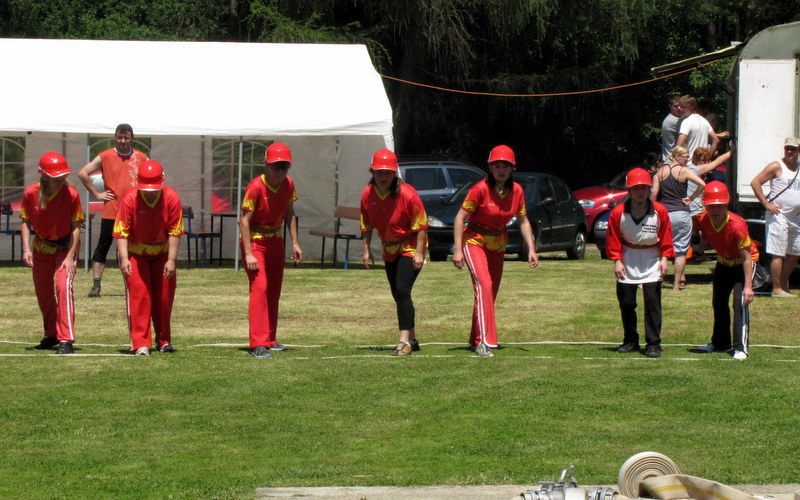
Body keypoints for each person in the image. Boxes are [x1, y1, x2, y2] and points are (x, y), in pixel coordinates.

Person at [452, 145, 539, 357]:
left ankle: (476, 338)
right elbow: (460, 218)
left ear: (512, 169)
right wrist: (457, 250)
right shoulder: (479, 189)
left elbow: (523, 220)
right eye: (497, 166)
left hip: (498, 244)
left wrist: (531, 249)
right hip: (474, 240)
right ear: (490, 168)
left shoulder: (517, 190)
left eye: (505, 166)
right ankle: (483, 341)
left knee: (490, 293)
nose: (501, 170)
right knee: (484, 286)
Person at [360, 149, 429, 356]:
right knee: (397, 294)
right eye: (379, 172)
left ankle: (404, 342)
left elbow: (421, 226)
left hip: (409, 246)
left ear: (394, 173)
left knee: (402, 290)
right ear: (372, 172)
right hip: (388, 248)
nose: (383, 177)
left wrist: (419, 253)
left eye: (387, 172)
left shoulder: (408, 194)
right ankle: (413, 339)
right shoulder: (368, 194)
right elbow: (366, 224)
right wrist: (366, 250)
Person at [239, 142, 303, 359]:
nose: (281, 172)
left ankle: (270, 339)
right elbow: (244, 221)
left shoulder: (288, 184)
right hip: (255, 241)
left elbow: (290, 213)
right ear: (266, 165)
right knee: (260, 287)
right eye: (276, 167)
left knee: (274, 290)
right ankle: (258, 343)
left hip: (276, 240)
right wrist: (248, 253)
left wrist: (295, 243)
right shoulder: (255, 187)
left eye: (285, 167)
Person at [113, 161, 183, 356]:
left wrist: (171, 260)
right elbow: (121, 231)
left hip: (162, 253)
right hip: (136, 254)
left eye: (154, 189)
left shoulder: (171, 197)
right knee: (140, 297)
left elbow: (175, 231)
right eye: (146, 189)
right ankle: (140, 343)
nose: (150, 193)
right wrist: (124, 258)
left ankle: (164, 340)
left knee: (164, 298)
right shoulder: (130, 199)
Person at [606, 168, 675, 358]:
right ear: (629, 190)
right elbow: (613, 238)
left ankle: (653, 343)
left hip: (652, 258)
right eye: (636, 188)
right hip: (627, 258)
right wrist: (617, 260)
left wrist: (665, 258)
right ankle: (630, 340)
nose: (640, 192)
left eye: (644, 188)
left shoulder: (659, 211)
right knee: (627, 303)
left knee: (652, 302)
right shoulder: (618, 212)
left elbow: (666, 235)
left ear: (649, 189)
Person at [20, 152, 85, 354]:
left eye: (63, 177)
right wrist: (26, 249)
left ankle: (66, 339)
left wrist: (69, 257)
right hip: (41, 246)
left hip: (66, 246)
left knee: (63, 288)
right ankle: (51, 334)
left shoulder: (71, 194)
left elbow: (76, 227)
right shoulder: (31, 193)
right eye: (56, 178)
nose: (60, 181)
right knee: (43, 292)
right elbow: (25, 220)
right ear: (45, 176)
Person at [78, 123, 148, 298]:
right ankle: (96, 285)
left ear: (132, 138)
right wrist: (97, 194)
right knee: (103, 245)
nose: (123, 141)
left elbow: (154, 176)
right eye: (120, 137)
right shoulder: (105, 156)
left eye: (126, 138)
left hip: (134, 212)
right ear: (115, 138)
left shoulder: (141, 157)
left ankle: (132, 284)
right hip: (112, 210)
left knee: (131, 249)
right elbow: (83, 173)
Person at [696, 182, 757, 360]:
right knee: (718, 302)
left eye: (719, 205)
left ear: (726, 204)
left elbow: (747, 258)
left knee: (739, 302)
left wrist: (748, 286)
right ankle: (720, 343)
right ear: (705, 206)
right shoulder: (704, 220)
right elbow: (706, 237)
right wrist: (698, 249)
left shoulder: (737, 225)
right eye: (711, 206)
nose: (715, 210)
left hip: (743, 263)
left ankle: (740, 347)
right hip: (723, 262)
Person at [749, 137, 800, 297]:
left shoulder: (799, 168)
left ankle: (783, 283)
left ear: (799, 150)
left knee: (795, 252)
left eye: (793, 149)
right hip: (778, 215)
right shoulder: (776, 166)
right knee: (778, 252)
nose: (789, 151)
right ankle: (777, 289)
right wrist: (766, 203)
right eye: (787, 148)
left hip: (796, 216)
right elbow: (755, 182)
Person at [651, 145, 706, 290]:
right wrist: (691, 198)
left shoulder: (660, 172)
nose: (687, 160)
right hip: (681, 213)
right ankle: (676, 285)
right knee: (680, 251)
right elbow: (702, 184)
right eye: (685, 157)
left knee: (660, 247)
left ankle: (656, 279)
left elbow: (654, 192)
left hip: (664, 214)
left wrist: (652, 210)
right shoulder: (683, 171)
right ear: (676, 156)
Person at [661, 94, 682, 161]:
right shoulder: (673, 121)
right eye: (676, 106)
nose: (679, 108)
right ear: (670, 106)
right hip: (672, 160)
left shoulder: (669, 118)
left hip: (668, 158)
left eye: (680, 106)